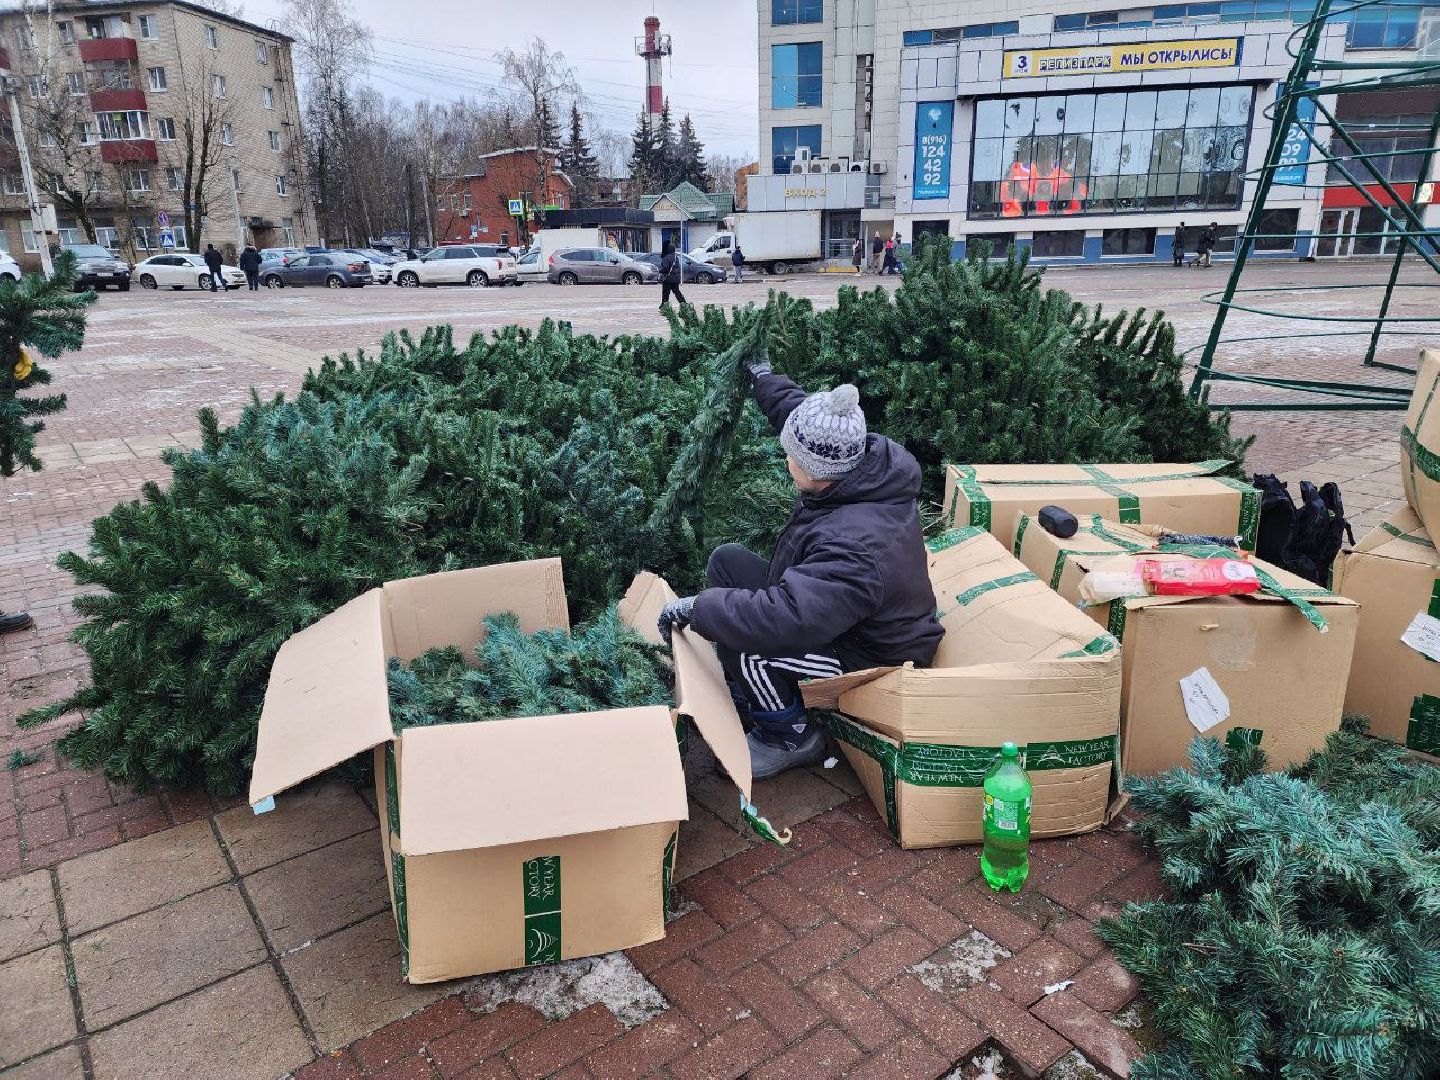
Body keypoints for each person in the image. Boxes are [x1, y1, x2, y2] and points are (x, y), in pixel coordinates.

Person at [657, 364, 944, 779]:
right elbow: (797, 413)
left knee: (751, 646)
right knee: (728, 561)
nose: (785, 457)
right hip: (840, 617)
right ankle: (763, 690)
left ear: (812, 472)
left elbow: (788, 617)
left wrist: (698, 609)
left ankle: (789, 735)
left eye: (789, 454)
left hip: (871, 655)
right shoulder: (854, 464)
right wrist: (761, 374)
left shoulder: (856, 545)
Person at [658, 242, 686, 308]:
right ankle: (683, 303)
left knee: (665, 293)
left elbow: (665, 268)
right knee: (677, 292)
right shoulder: (675, 257)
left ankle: (664, 305)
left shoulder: (666, 257)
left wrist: (660, 270)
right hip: (676, 278)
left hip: (668, 278)